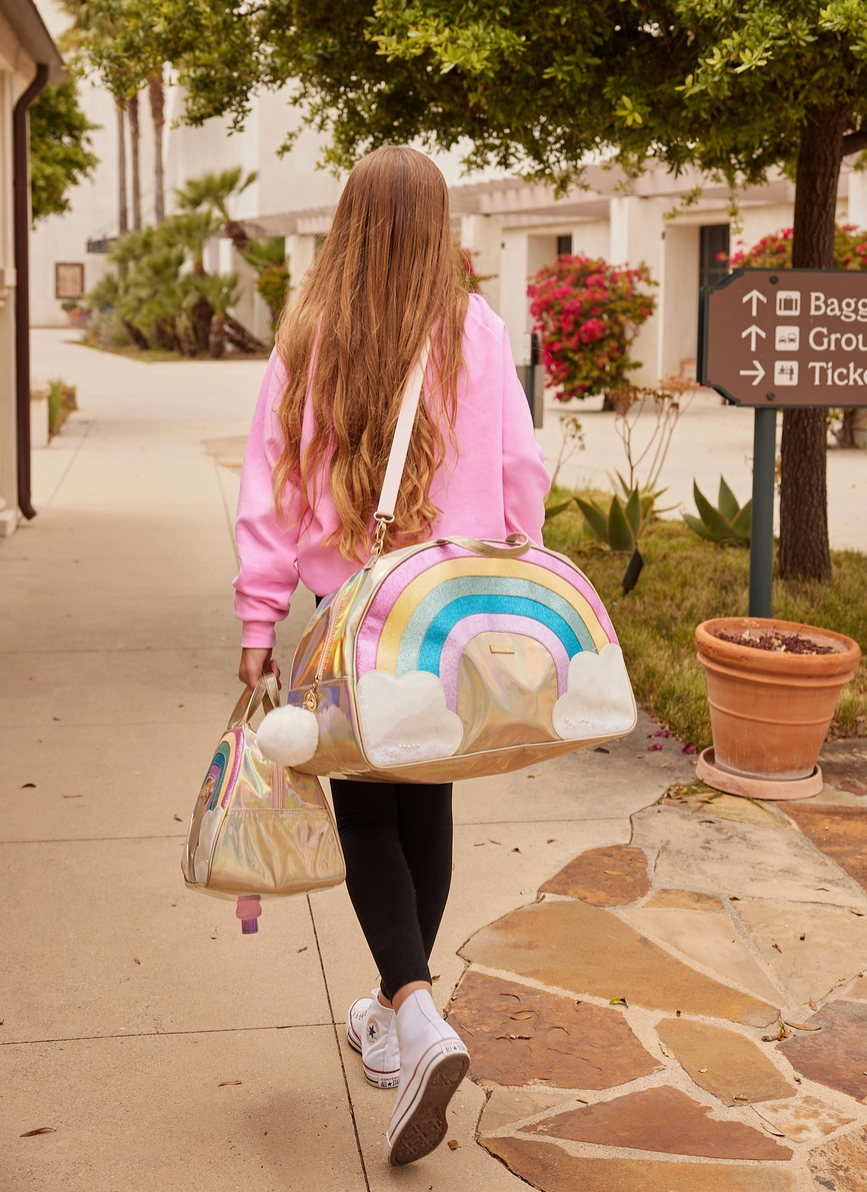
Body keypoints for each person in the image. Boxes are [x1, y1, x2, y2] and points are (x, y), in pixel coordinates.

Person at [232, 145, 550, 1166]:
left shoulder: (312, 337)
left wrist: (256, 622)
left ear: (349, 221)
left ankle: (411, 1011)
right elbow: (518, 469)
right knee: (428, 803)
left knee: (367, 808)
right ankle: (399, 1011)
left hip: (356, 610)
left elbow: (273, 494)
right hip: (454, 610)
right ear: (436, 224)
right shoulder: (479, 326)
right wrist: (524, 575)